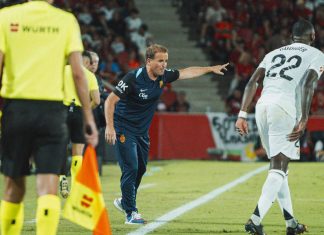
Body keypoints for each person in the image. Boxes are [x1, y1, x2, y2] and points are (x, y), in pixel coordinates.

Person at [0, 1, 98, 235]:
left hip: (17, 110)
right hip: (53, 113)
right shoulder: (66, 20)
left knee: (13, 187)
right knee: (48, 187)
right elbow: (78, 73)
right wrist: (88, 116)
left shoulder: (5, 16)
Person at [105, 43, 229, 224]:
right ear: (148, 61)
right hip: (124, 128)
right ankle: (131, 213)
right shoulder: (133, 78)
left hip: (141, 132)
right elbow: (110, 101)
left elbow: (187, 72)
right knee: (131, 168)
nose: (164, 64)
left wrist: (210, 69)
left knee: (140, 169)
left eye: (166, 61)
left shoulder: (164, 76)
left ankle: (125, 202)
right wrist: (110, 127)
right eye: (160, 61)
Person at [235, 19, 324, 235]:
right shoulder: (317, 54)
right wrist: (303, 117)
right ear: (312, 37)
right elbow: (306, 84)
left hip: (262, 106)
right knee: (279, 167)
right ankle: (255, 220)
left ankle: (291, 223)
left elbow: (252, 82)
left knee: (279, 166)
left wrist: (242, 114)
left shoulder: (272, 54)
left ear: (292, 36)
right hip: (284, 108)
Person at [59, 51, 100, 198]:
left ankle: (62, 179)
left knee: (61, 148)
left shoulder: (62, 70)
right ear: (87, 62)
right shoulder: (89, 76)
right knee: (78, 151)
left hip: (61, 110)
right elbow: (97, 100)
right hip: (78, 112)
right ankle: (76, 185)